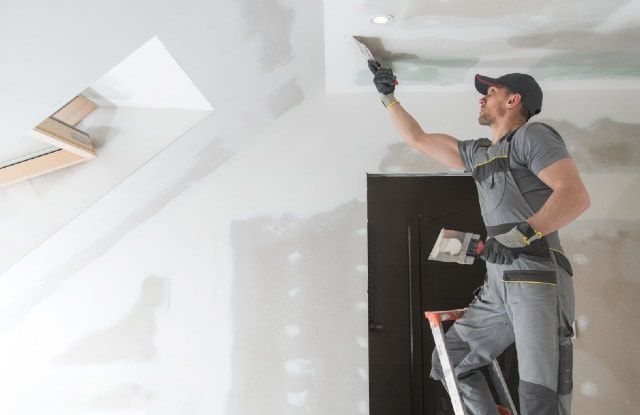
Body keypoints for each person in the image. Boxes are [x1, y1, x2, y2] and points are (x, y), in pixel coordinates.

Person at [369, 60, 590, 414]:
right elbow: (418, 138)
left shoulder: (533, 137)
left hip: (537, 277)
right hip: (499, 283)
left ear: (513, 100)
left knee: (540, 392)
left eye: (490, 92)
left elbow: (575, 196)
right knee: (450, 361)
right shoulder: (480, 154)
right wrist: (389, 97)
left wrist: (519, 237)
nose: (481, 100)